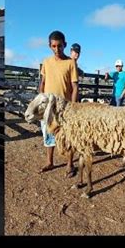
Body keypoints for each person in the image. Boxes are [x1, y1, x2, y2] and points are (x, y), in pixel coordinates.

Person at [39, 30, 79, 177]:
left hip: (65, 107)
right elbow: (42, 82)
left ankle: (70, 164)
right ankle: (50, 162)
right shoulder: (46, 62)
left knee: (67, 136)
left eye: (60, 46)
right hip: (49, 106)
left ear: (65, 45)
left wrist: (73, 107)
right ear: (50, 46)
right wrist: (41, 99)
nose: (57, 49)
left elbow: (74, 86)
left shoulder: (70, 63)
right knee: (48, 133)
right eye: (54, 46)